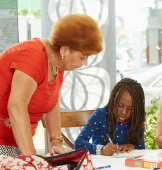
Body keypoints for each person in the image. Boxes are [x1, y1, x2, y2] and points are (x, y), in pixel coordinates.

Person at [0, 14, 103, 157]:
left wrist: (56, 143)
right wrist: (33, 159)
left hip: (14, 142)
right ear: (64, 50)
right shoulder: (33, 56)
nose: (85, 63)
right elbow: (16, 107)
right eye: (83, 57)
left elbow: (51, 102)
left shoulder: (57, 64)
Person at [75, 78, 145, 155]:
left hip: (124, 165)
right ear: (112, 100)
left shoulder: (136, 121)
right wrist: (102, 150)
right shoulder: (100, 115)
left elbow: (142, 150)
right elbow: (78, 144)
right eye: (120, 106)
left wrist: (132, 146)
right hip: (100, 164)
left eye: (130, 108)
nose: (124, 112)